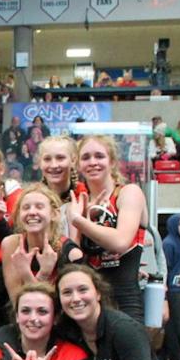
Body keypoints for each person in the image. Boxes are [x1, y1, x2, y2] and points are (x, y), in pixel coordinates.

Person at [67, 135, 147, 322]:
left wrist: (80, 222)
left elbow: (120, 241)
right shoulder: (78, 202)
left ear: (112, 162)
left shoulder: (129, 192)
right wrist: (82, 219)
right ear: (78, 165)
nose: (93, 162)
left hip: (126, 301)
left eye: (99, 156)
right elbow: (74, 258)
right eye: (86, 157)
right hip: (89, 303)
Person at [1, 184, 84, 298]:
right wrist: (37, 275)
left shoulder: (71, 253)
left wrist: (36, 274)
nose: (32, 212)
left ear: (54, 214)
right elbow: (17, 303)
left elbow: (55, 309)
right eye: (26, 208)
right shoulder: (11, 245)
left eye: (39, 207)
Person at [162, 214, 180, 360]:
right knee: (175, 326)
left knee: (179, 325)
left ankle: (175, 359)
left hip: (179, 288)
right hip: (171, 290)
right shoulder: (169, 244)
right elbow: (167, 268)